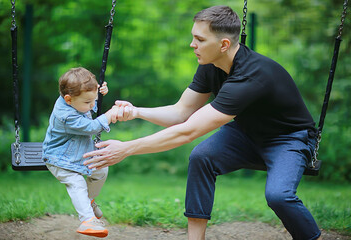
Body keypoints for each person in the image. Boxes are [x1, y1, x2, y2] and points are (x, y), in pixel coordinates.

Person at [83, 6, 322, 240]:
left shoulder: (250, 76)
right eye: (192, 37)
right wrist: (136, 112)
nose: (192, 44)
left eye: (199, 39)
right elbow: (181, 112)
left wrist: (126, 148)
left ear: (224, 45)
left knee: (279, 196)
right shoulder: (211, 65)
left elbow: (187, 131)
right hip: (246, 133)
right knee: (202, 157)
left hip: (288, 138)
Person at [42, 67, 118, 238]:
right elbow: (91, 127)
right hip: (59, 158)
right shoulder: (65, 115)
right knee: (77, 183)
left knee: (101, 169)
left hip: (80, 153)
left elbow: (87, 103)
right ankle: (87, 220)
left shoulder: (77, 99)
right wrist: (109, 115)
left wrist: (99, 94)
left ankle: (88, 201)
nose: (92, 106)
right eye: (88, 102)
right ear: (68, 99)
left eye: (94, 100)